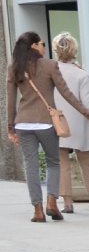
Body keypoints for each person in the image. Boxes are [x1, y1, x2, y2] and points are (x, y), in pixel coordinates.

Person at [7, 31, 81, 223]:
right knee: (53, 162)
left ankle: (38, 210)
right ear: (33, 46)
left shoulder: (14, 68)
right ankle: (52, 203)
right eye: (42, 43)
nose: (44, 47)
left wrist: (10, 128)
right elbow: (67, 94)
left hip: (23, 123)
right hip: (46, 123)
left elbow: (10, 101)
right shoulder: (49, 65)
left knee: (30, 164)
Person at [50, 33, 89, 213]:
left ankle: (68, 203)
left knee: (63, 163)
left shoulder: (51, 72)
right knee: (87, 161)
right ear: (74, 50)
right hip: (80, 121)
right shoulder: (81, 74)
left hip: (58, 121)